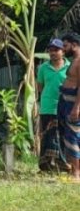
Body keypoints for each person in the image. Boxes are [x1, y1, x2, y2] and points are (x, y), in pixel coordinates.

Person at [37, 39, 70, 172]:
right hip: (47, 107)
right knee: (47, 135)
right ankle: (45, 165)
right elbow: (40, 87)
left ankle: (62, 163)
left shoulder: (70, 67)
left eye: (56, 50)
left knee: (62, 135)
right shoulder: (43, 68)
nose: (53, 53)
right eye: (50, 50)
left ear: (63, 52)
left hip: (65, 106)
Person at [59, 33, 80, 181]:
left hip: (73, 103)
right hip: (66, 101)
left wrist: (76, 108)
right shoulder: (74, 61)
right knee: (68, 136)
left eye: (65, 46)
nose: (63, 49)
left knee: (73, 136)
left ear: (74, 44)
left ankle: (76, 173)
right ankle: (74, 169)